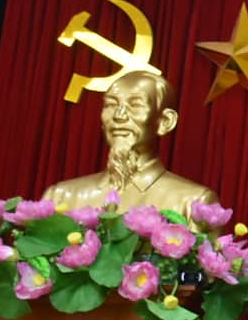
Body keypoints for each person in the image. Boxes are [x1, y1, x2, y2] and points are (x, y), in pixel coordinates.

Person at [44, 68, 218, 219]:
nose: (119, 115)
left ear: (165, 121)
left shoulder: (194, 202)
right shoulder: (60, 196)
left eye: (135, 105)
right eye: (111, 104)